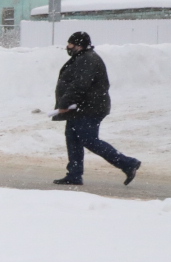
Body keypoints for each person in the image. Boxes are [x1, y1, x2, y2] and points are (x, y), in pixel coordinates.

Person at [51, 30, 142, 186]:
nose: (68, 46)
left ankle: (127, 163)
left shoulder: (88, 60)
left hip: (89, 108)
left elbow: (80, 85)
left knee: (89, 139)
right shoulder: (81, 58)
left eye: (71, 43)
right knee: (73, 139)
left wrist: (65, 104)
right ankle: (74, 174)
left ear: (79, 45)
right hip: (80, 107)